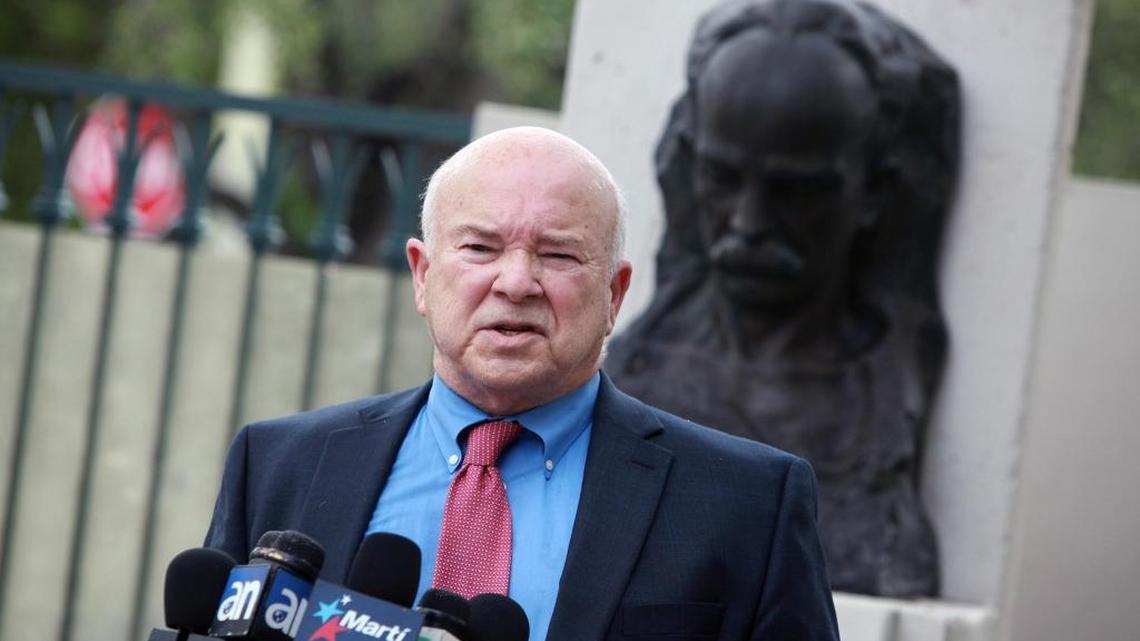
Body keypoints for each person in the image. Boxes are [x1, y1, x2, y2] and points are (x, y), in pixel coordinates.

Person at [205, 126, 839, 641]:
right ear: (422, 276)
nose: (515, 282)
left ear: (615, 294)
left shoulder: (747, 503)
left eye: (558, 255)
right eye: (479, 248)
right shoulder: (280, 465)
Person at [605, 0, 960, 598]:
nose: (749, 222)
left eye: (796, 192)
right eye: (722, 177)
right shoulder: (624, 382)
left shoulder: (877, 403)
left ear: (873, 190)